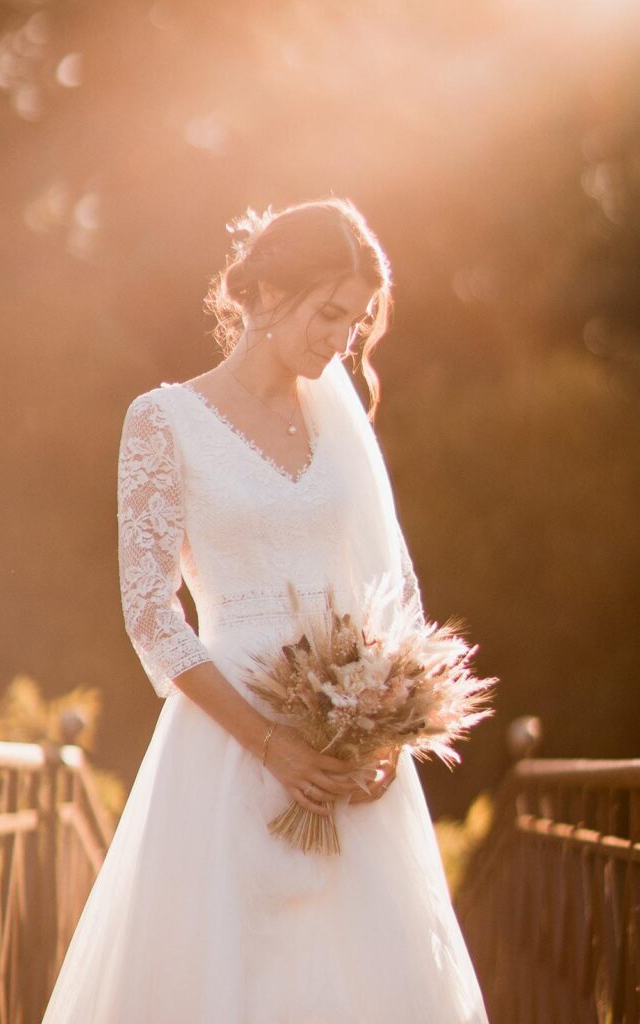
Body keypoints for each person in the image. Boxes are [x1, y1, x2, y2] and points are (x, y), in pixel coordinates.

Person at [41, 197, 490, 1023]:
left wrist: (386, 731)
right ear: (264, 295)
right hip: (228, 737)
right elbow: (150, 612)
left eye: (355, 326)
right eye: (328, 314)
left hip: (351, 750)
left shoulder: (337, 421)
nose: (340, 341)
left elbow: (386, 592)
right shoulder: (163, 421)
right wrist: (271, 743)